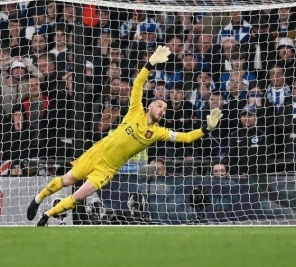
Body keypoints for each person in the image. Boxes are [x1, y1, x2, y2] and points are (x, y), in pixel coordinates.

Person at [26, 46, 222, 226]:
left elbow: (186, 138)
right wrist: (150, 63)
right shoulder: (135, 110)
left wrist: (206, 129)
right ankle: (37, 200)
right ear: (150, 106)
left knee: (78, 196)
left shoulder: (157, 133)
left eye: (165, 109)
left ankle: (46, 216)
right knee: (67, 179)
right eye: (160, 105)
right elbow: (138, 83)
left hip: (108, 170)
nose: (163, 109)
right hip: (98, 152)